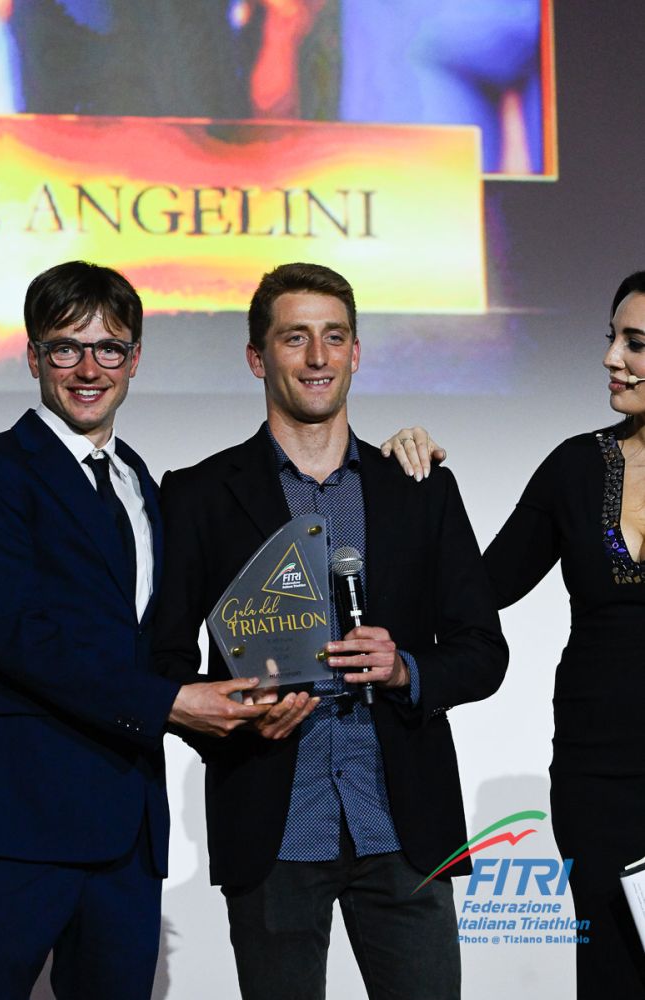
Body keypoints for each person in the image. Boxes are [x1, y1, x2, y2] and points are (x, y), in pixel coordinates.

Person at [153, 261, 508, 1000]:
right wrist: (230, 715)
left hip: (404, 829)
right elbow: (163, 664)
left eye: (334, 336)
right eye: (294, 338)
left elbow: (483, 652)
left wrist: (406, 668)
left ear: (355, 352)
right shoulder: (198, 496)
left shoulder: (420, 488)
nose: (317, 357)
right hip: (273, 823)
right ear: (257, 357)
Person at [0, 260, 269, 1000]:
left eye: (108, 348)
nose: (89, 369)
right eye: (65, 348)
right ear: (33, 357)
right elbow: (18, 636)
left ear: (134, 359)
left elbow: (154, 639)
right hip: (18, 825)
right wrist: (171, 703)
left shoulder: (142, 481)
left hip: (129, 829)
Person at [381, 271, 645, 999]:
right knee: (613, 975)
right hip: (599, 776)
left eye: (636, 344)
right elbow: (474, 591)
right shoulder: (575, 467)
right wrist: (409, 487)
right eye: (612, 338)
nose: (611, 358)